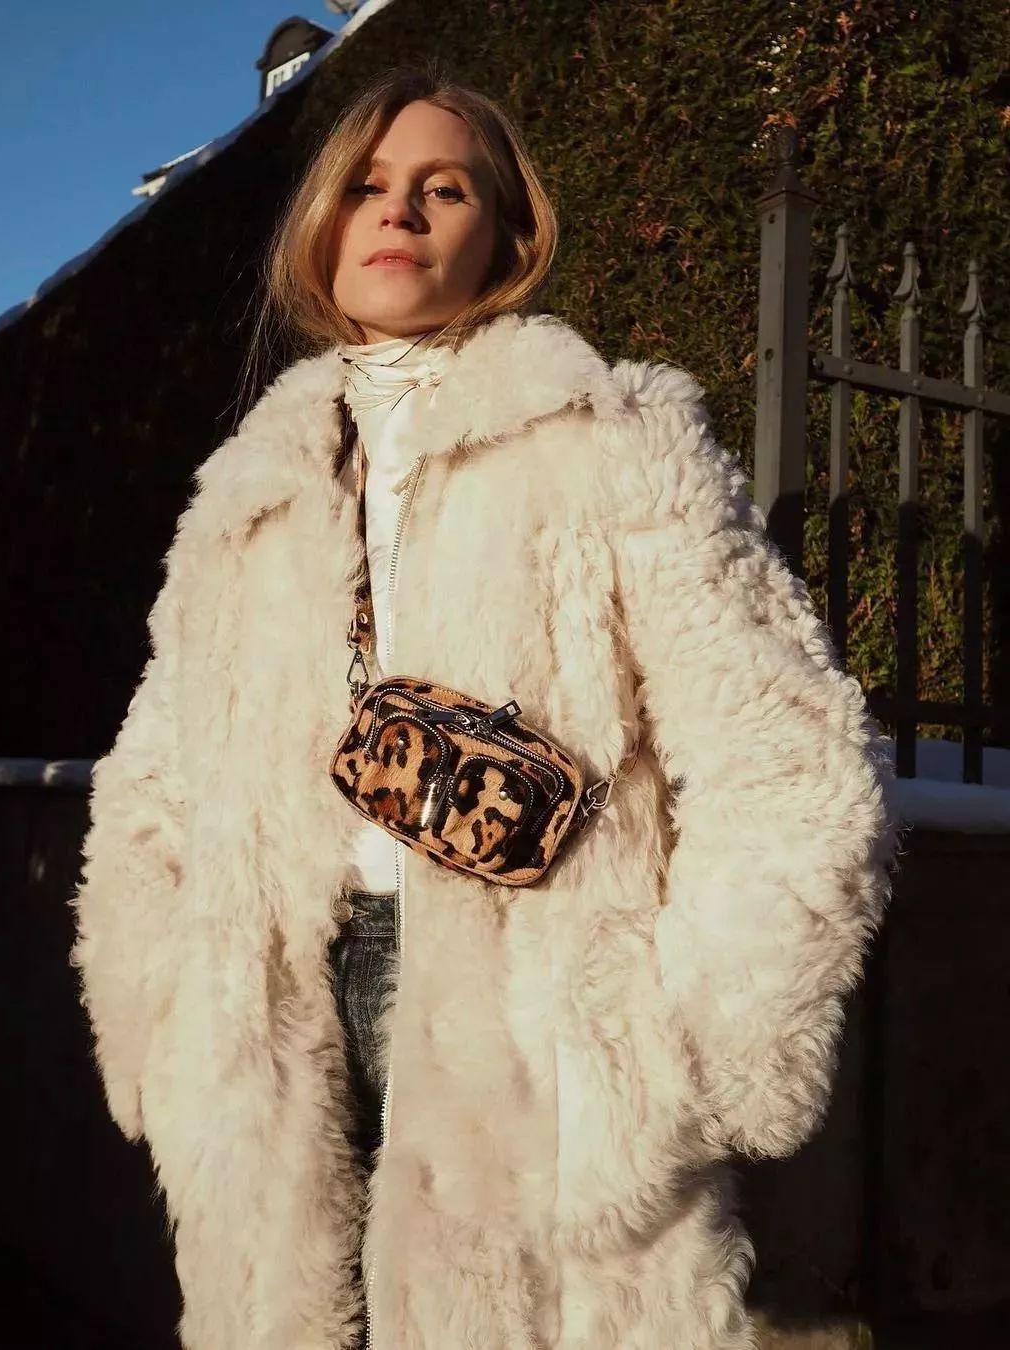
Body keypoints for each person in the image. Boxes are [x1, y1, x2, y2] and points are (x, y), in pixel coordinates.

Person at [70, 65, 897, 1350]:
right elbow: (151, 790)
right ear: (325, 226)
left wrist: (689, 1053)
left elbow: (786, 755)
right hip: (269, 1031)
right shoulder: (245, 496)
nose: (398, 212)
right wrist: (156, 1023)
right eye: (367, 185)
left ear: (506, 236)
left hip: (537, 1031)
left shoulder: (610, 439)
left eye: (443, 188)